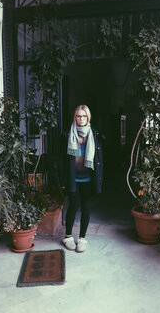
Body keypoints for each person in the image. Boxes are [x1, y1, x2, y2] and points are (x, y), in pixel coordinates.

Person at [62, 104, 103, 252]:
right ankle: (67, 236)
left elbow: (99, 158)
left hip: (88, 178)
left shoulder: (94, 134)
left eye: (83, 116)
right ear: (75, 117)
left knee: (86, 207)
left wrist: (99, 177)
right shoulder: (68, 134)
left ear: (88, 117)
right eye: (78, 116)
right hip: (73, 178)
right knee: (73, 205)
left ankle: (82, 238)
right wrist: (63, 180)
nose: (81, 119)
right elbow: (63, 160)